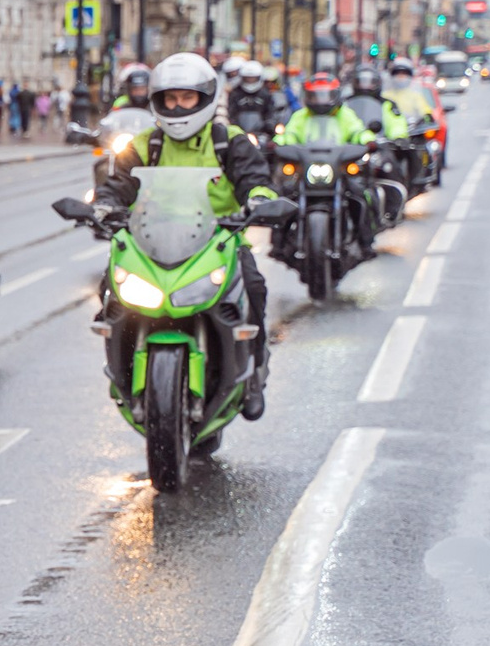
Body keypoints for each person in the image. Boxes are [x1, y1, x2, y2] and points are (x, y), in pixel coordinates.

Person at [95, 51, 280, 419]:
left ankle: (255, 372)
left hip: (219, 240)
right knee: (109, 291)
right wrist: (103, 204)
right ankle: (121, 368)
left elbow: (255, 180)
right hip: (153, 241)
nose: (178, 107)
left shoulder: (229, 141)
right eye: (170, 99)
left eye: (187, 98)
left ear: (205, 98)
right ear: (158, 101)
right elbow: (118, 184)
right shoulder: (147, 143)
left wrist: (259, 201)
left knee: (254, 288)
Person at [276, 70, 380, 255]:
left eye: (325, 95)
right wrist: (277, 143)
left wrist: (367, 139)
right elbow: (289, 134)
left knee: (359, 196)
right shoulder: (301, 116)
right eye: (315, 96)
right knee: (284, 196)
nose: (320, 100)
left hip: (338, 168)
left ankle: (366, 242)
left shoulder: (345, 115)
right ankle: (279, 243)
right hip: (306, 170)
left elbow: (358, 131)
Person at [227, 60, 282, 138]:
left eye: (253, 79)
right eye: (247, 79)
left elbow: (270, 111)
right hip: (239, 133)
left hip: (261, 133)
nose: (250, 81)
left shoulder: (265, 94)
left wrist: (270, 124)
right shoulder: (235, 94)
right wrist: (233, 125)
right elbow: (231, 112)